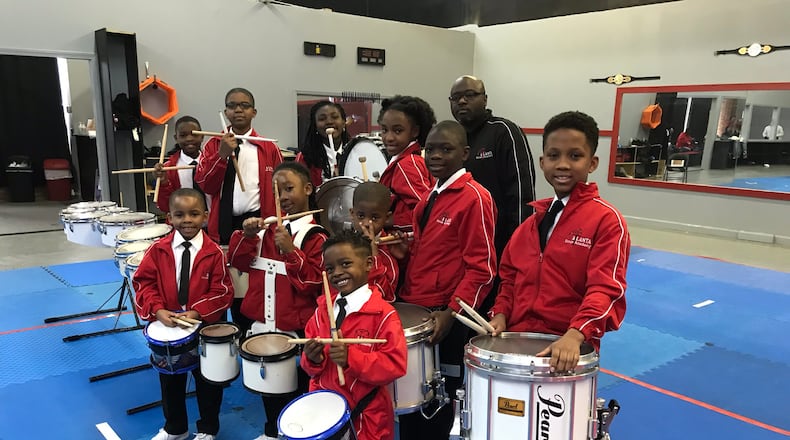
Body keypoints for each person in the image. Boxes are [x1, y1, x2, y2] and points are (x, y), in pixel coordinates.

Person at [487, 111, 629, 372]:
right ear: (542, 162)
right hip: (519, 342)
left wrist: (576, 335)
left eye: (575, 156)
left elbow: (606, 289)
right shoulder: (531, 223)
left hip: (566, 347)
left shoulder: (606, 221)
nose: (563, 164)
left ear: (592, 162)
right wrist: (501, 314)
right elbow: (509, 279)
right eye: (554, 156)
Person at [395, 121, 497, 440]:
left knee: (440, 395)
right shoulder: (430, 195)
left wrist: (452, 313)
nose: (435, 155)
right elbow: (432, 248)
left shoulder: (474, 198)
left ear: (465, 154)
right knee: (411, 397)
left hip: (443, 313)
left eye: (446, 149)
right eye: (431, 148)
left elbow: (482, 269)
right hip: (416, 307)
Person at [226, 162, 328, 440]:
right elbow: (237, 262)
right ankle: (273, 431)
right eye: (276, 191)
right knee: (270, 389)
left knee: (301, 390)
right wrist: (245, 236)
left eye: (289, 188)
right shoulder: (262, 233)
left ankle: (300, 433)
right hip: (263, 325)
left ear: (307, 189)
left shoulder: (317, 236)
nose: (282, 197)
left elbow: (314, 285)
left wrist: (291, 252)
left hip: (298, 330)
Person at [132, 188, 234, 440]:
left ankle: (207, 429)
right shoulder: (157, 250)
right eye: (179, 214)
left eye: (194, 214)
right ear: (169, 217)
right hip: (169, 327)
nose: (187, 220)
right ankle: (175, 428)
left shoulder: (213, 253)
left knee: (208, 382)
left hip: (204, 329)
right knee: (170, 382)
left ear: (205, 216)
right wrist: (157, 309)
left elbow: (223, 291)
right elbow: (143, 283)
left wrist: (198, 312)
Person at [302, 228, 408, 440]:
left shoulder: (384, 314)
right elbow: (310, 368)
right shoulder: (322, 310)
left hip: (366, 416)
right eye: (330, 268)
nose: (337, 273)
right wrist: (312, 359)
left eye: (346, 264)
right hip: (325, 409)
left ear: (368, 264)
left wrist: (351, 358)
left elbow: (395, 364)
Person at [449, 75, 536, 257]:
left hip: (500, 241)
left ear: (485, 99)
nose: (462, 101)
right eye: (456, 98)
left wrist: (518, 247)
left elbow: (521, 194)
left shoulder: (504, 131)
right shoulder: (451, 139)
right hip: (462, 243)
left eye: (470, 95)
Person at [194, 87, 283, 245]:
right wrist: (221, 156)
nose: (238, 110)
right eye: (232, 106)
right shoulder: (213, 144)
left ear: (254, 112)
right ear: (226, 112)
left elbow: (280, 190)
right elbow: (205, 185)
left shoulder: (269, 147)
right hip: (223, 221)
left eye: (245, 105)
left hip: (258, 219)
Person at [377, 95, 436, 231]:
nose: (389, 138)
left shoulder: (407, 164)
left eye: (398, 131)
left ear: (415, 131)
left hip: (407, 247)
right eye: (385, 130)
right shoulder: (406, 159)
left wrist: (389, 220)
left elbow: (426, 212)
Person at [349, 181, 398, 301]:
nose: (366, 223)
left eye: (374, 218)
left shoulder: (388, 254)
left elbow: (386, 296)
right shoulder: (342, 246)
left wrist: (374, 255)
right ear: (352, 213)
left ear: (387, 218)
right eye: (360, 216)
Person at [154, 116, 206, 214]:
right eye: (183, 135)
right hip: (183, 225)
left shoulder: (212, 163)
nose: (189, 139)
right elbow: (165, 207)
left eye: (194, 134)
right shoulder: (168, 168)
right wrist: (163, 183)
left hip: (213, 224)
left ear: (202, 136)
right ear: (176, 138)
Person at [296, 100, 351, 188]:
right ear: (315, 126)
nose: (329, 122)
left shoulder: (354, 151)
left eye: (335, 117)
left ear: (344, 122)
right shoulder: (305, 158)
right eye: (322, 119)